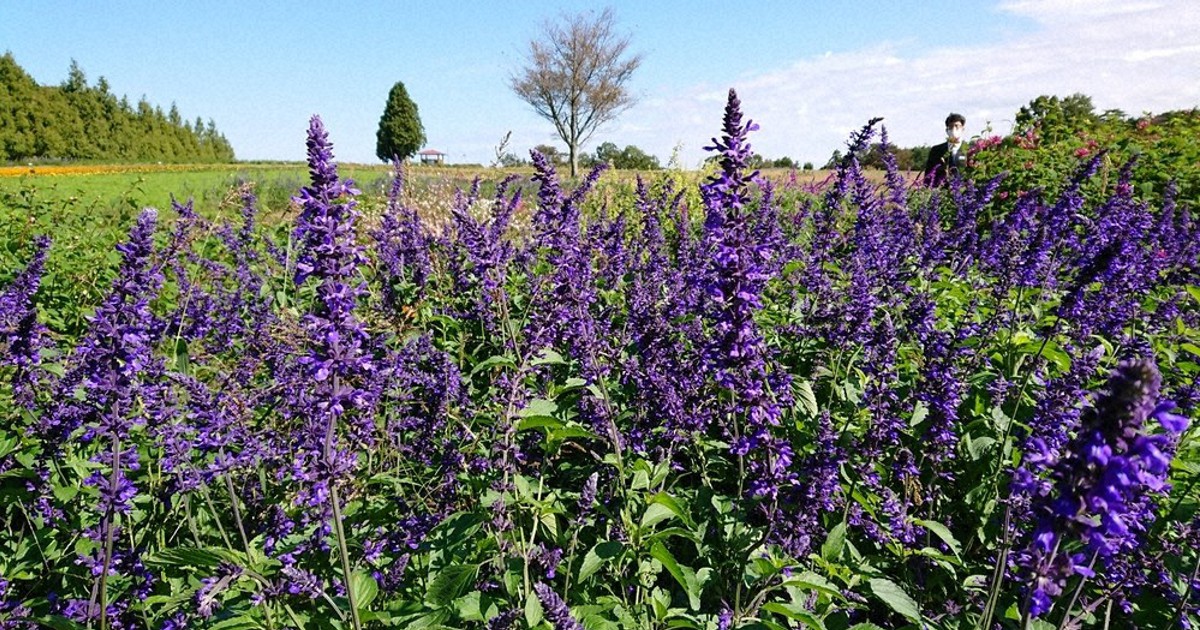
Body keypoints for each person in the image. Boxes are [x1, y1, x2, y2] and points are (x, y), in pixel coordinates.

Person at [922, 113, 967, 187]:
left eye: (957, 126)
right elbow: (928, 176)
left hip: (962, 195)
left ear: (963, 129)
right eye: (951, 126)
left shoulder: (969, 150)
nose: (954, 129)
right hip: (940, 194)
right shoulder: (936, 150)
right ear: (947, 130)